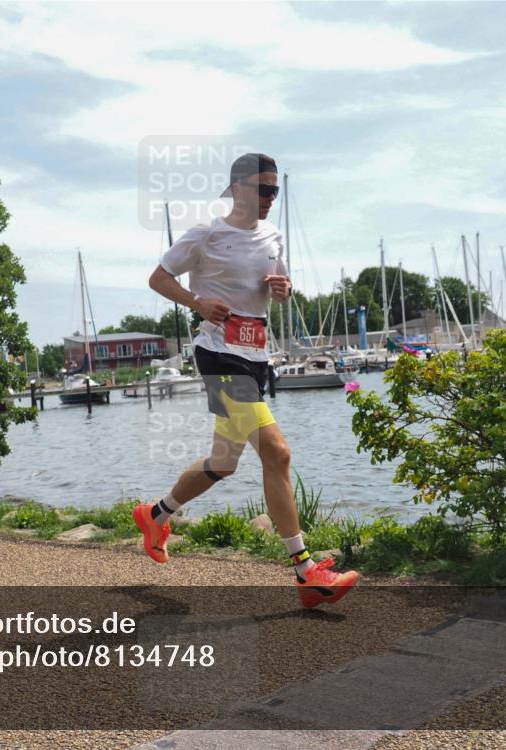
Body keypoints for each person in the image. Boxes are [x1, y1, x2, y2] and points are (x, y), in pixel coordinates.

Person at [135, 152, 359, 608]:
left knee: (223, 464)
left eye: (276, 191)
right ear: (238, 189)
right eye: (264, 189)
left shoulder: (273, 236)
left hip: (256, 356)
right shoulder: (207, 235)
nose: (271, 198)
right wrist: (196, 302)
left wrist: (283, 288)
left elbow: (274, 284)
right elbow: (158, 278)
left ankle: (155, 515)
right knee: (277, 453)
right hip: (218, 354)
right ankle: (305, 572)